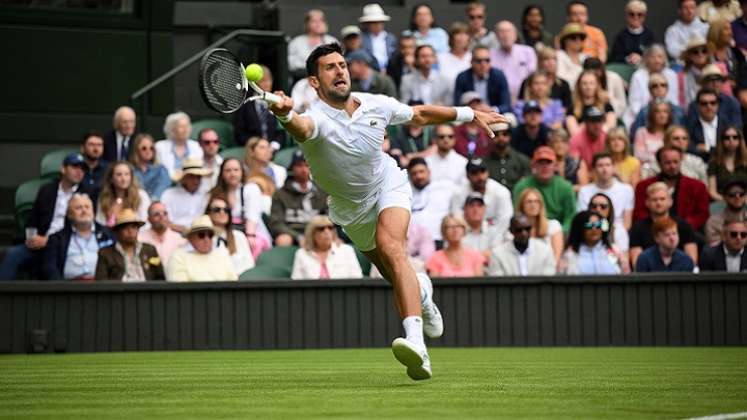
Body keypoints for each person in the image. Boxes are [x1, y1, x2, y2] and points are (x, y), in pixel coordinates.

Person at [267, 42, 506, 380]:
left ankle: (416, 345)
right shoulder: (315, 118)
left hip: (387, 184)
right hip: (351, 208)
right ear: (315, 82)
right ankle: (422, 291)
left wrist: (470, 114)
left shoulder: (376, 104)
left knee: (394, 248)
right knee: (396, 273)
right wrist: (284, 114)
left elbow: (420, 114)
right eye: (330, 67)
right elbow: (301, 128)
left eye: (342, 65)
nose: (340, 71)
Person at [0, 153, 95, 280]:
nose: (79, 171)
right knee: (13, 255)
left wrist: (49, 240)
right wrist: (33, 237)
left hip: (65, 245)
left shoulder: (86, 194)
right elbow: (33, 219)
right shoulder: (47, 190)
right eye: (75, 167)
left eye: (82, 168)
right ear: (63, 169)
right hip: (39, 242)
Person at [634, 146, 710, 231]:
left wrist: (682, 226)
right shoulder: (644, 186)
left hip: (687, 232)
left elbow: (702, 214)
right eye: (667, 163)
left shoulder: (697, 186)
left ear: (681, 161)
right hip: (652, 231)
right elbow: (640, 213)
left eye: (675, 162)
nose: (672, 166)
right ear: (659, 164)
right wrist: (659, 226)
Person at [44, 193, 114, 281]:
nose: (84, 211)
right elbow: (50, 269)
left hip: (103, 288)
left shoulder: (108, 234)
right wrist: (61, 289)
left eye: (87, 207)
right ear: (69, 215)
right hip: (69, 290)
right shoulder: (57, 239)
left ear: (93, 212)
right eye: (78, 208)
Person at [209, 157, 271, 256]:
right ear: (222, 174)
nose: (232, 174)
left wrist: (250, 235)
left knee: (252, 244)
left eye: (236, 170)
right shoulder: (216, 192)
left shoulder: (251, 189)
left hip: (251, 232)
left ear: (242, 172)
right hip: (225, 232)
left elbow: (252, 215)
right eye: (228, 171)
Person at [629, 181, 699, 267]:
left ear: (670, 201)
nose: (658, 203)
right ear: (647, 203)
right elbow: (637, 263)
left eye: (662, 199)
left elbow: (692, 261)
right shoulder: (638, 228)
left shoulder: (683, 225)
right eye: (654, 199)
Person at [270, 150, 329, 247]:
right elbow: (276, 223)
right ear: (292, 168)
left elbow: (329, 217)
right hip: (292, 232)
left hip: (317, 231)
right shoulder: (280, 194)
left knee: (334, 239)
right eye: (299, 166)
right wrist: (298, 236)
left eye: (307, 165)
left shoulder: (321, 192)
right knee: (283, 240)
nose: (304, 169)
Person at [577, 153, 634, 251]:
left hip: (618, 231)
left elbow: (627, 223)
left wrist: (613, 232)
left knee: (620, 233)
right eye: (600, 165)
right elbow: (583, 220)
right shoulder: (584, 191)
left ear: (613, 168)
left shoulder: (626, 189)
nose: (604, 169)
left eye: (608, 165)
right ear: (594, 169)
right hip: (591, 230)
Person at [513, 146, 576, 233]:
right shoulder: (521, 186)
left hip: (557, 231)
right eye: (540, 162)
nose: (544, 166)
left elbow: (570, 217)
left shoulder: (566, 187)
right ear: (533, 165)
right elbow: (517, 213)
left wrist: (560, 233)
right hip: (528, 230)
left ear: (555, 166)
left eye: (548, 162)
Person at [95, 209, 164, 281]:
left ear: (138, 230)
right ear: (117, 231)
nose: (130, 231)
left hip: (148, 291)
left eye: (134, 227)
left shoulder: (150, 250)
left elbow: (161, 278)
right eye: (125, 227)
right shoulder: (105, 253)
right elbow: (101, 282)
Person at [450, 158, 513, 237]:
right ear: (467, 176)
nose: (480, 177)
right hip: (467, 234)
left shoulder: (501, 192)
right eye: (474, 173)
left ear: (488, 172)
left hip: (496, 235)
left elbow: (505, 221)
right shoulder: (458, 193)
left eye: (483, 172)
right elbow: (457, 220)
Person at [166, 216, 238, 282]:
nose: (206, 239)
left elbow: (233, 285)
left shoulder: (223, 256)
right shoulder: (179, 257)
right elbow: (179, 288)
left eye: (210, 235)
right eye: (201, 235)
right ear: (191, 238)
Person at [625, 45, 680, 130]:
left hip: (667, 115)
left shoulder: (671, 75)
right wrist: (649, 116)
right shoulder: (638, 76)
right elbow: (634, 103)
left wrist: (665, 115)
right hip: (641, 116)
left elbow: (673, 100)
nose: (657, 60)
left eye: (660, 57)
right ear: (646, 59)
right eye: (653, 57)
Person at [291, 215, 363, 280]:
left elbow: (357, 278)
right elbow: (296, 283)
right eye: (321, 229)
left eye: (330, 228)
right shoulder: (301, 254)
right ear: (312, 234)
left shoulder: (347, 250)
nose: (327, 231)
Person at [233, 65, 287, 149]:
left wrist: (275, 144)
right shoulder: (245, 105)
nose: (266, 84)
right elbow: (239, 133)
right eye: (262, 80)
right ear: (254, 84)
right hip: (252, 149)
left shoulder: (277, 102)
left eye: (268, 80)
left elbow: (281, 131)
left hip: (274, 149)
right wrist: (256, 145)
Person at [560, 210, 628, 275]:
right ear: (579, 228)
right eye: (589, 225)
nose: (594, 229)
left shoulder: (615, 251)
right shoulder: (570, 254)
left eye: (598, 225)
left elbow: (627, 276)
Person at [486, 214, 556, 276]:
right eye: (519, 230)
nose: (524, 233)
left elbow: (548, 279)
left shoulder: (545, 250)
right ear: (511, 231)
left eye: (527, 229)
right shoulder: (498, 254)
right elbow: (497, 283)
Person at [408, 158, 457, 244]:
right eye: (414, 173)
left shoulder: (446, 187)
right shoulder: (406, 194)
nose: (419, 176)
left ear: (429, 172)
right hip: (414, 244)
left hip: (442, 240)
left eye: (421, 171)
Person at [453, 46, 512, 114]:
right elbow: (457, 104)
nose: (483, 64)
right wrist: (473, 109)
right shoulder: (462, 77)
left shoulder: (498, 76)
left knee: (509, 117)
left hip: (493, 115)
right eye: (479, 61)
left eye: (487, 60)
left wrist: (491, 109)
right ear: (471, 62)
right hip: (471, 116)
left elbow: (507, 105)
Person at [205, 195, 254, 276]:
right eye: (217, 210)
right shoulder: (203, 237)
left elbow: (250, 265)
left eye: (226, 210)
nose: (222, 212)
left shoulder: (239, 236)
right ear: (209, 213)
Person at [490, 20, 537, 104]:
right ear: (496, 36)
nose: (506, 35)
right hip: (499, 100)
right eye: (502, 32)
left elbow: (532, 76)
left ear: (515, 35)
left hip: (525, 99)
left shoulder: (528, 51)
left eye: (509, 31)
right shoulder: (490, 55)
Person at [514, 188, 564, 265]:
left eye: (537, 201)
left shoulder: (553, 226)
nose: (533, 205)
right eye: (529, 202)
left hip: (547, 271)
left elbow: (556, 258)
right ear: (522, 206)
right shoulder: (516, 229)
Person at [160, 157, 211, 233]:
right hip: (174, 234)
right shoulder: (169, 195)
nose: (196, 181)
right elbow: (164, 221)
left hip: (201, 234)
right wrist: (184, 230)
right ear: (184, 177)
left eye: (198, 177)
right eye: (192, 176)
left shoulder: (206, 195)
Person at [629, 73, 687, 138]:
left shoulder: (678, 110)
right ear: (650, 90)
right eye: (654, 86)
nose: (659, 88)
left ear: (667, 88)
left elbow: (685, 133)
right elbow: (635, 134)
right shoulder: (644, 111)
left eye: (663, 85)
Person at [95, 161, 150, 229]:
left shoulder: (141, 195)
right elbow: (100, 223)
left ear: (131, 177)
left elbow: (145, 224)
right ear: (111, 178)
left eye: (127, 174)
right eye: (119, 175)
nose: (123, 179)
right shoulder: (103, 198)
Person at [287, 9, 338, 79]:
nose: (318, 23)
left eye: (321, 20)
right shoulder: (296, 42)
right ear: (307, 24)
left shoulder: (331, 41)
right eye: (314, 21)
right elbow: (291, 63)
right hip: (301, 78)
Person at [155, 112, 202, 181]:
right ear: (172, 129)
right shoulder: (160, 147)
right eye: (182, 126)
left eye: (187, 126)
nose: (186, 130)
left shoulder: (196, 146)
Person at [565, 71, 616, 136]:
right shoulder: (572, 108)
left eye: (592, 83)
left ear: (597, 85)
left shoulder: (606, 105)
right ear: (579, 86)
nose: (588, 87)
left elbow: (611, 128)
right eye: (584, 83)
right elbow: (574, 133)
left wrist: (585, 126)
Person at [484, 122, 531, 191]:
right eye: (496, 135)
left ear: (510, 136)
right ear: (490, 138)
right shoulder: (484, 162)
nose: (501, 138)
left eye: (505, 134)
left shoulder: (523, 160)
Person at [523, 47, 573, 112]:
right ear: (539, 62)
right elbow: (522, 103)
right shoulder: (528, 81)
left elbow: (567, 107)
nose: (551, 62)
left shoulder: (564, 84)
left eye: (554, 59)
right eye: (546, 59)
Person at [138, 201, 186, 266]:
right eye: (156, 214)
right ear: (149, 219)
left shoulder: (178, 238)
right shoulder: (140, 238)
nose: (162, 216)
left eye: (165, 213)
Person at [634, 99, 674, 175]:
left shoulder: (673, 133)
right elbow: (639, 155)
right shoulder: (642, 132)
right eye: (658, 112)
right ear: (652, 115)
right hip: (647, 171)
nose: (662, 115)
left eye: (665, 112)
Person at [707, 125, 747, 201]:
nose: (731, 140)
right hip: (721, 203)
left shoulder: (746, 161)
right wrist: (730, 201)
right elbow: (712, 192)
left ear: (740, 140)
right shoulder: (714, 163)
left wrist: (741, 200)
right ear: (721, 141)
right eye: (727, 138)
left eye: (735, 137)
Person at [609, 0, 656, 65]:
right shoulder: (620, 36)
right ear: (626, 16)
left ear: (644, 16)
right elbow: (614, 57)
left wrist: (641, 58)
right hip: (625, 68)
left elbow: (654, 55)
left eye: (640, 14)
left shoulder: (650, 35)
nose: (635, 17)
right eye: (631, 14)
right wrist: (628, 58)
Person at [705, 177, 747, 245]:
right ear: (724, 197)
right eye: (732, 194)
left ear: (745, 197)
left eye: (741, 194)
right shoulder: (714, 222)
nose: (737, 197)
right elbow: (713, 248)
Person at [129, 133, 171, 200]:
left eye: (151, 148)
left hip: (156, 204)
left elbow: (162, 187)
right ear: (136, 150)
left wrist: (152, 201)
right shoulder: (129, 169)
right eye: (144, 148)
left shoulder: (161, 170)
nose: (148, 151)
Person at [462, 193, 504, 259]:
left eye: (479, 206)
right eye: (472, 206)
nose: (475, 209)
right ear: (465, 209)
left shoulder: (494, 230)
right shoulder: (458, 230)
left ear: (485, 208)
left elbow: (496, 255)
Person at [453, 92, 494, 158]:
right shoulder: (455, 131)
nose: (475, 107)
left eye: (478, 104)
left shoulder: (487, 130)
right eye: (471, 105)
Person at [687, 88, 726, 157]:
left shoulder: (727, 125)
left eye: (713, 103)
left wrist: (708, 148)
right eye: (704, 103)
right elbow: (689, 149)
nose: (709, 106)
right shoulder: (690, 127)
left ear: (718, 104)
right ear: (697, 105)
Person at [678, 35, 714, 108]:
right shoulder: (682, 76)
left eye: (704, 51)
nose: (700, 54)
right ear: (689, 56)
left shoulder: (715, 71)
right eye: (695, 52)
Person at [548, 127, 589, 192]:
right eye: (556, 142)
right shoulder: (546, 164)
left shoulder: (577, 162)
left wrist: (565, 189)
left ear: (568, 144)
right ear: (550, 145)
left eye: (563, 142)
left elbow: (585, 187)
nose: (560, 145)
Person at [359, 3, 397, 71]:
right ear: (366, 24)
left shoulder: (391, 38)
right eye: (373, 22)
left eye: (380, 22)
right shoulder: (361, 38)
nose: (377, 25)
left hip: (390, 72)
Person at [556, 23, 588, 90]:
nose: (578, 41)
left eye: (581, 38)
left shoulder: (586, 57)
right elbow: (561, 79)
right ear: (564, 40)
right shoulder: (558, 56)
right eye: (573, 38)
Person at [197, 128, 223, 193]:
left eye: (215, 142)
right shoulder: (194, 165)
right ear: (200, 144)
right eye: (207, 142)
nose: (211, 145)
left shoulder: (225, 165)